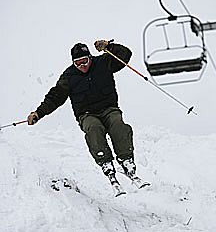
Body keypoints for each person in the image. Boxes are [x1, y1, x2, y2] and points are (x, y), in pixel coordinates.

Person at [27, 39, 139, 196]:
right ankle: (105, 162)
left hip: (109, 108)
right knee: (94, 128)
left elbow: (125, 55)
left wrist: (108, 47)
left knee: (118, 124)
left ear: (90, 58)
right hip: (87, 114)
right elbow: (55, 97)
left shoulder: (104, 62)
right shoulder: (68, 77)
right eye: (78, 63)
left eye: (84, 61)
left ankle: (126, 159)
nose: (82, 66)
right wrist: (38, 113)